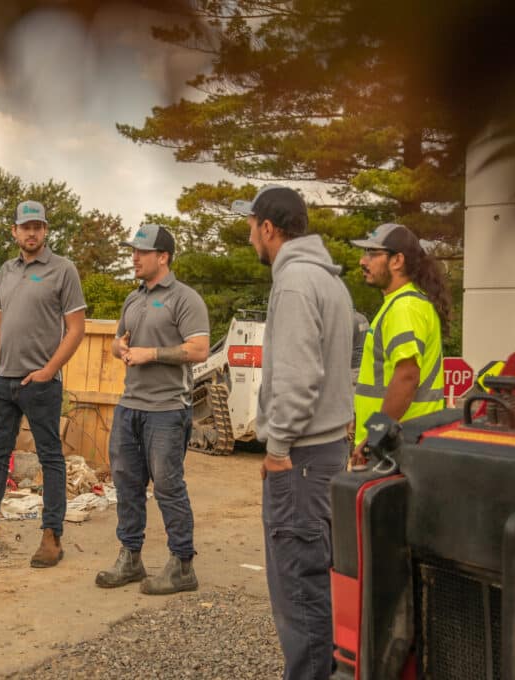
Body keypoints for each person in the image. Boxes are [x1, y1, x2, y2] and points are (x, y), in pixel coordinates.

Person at [231, 185, 354, 680]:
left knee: (298, 584)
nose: (248, 236)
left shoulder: (296, 282)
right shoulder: (325, 279)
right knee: (315, 578)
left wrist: (277, 448)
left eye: (250, 225)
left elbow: (299, 379)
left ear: (268, 227)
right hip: (324, 452)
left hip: (300, 458)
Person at [0, 200, 86, 568]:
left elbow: (77, 330)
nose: (31, 232)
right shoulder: (6, 271)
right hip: (3, 383)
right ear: (14, 231)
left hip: (41, 384)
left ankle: (51, 536)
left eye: (38, 226)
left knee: (50, 458)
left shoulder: (64, 271)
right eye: (25, 227)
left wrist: (48, 371)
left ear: (45, 231)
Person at [94, 224, 210, 595]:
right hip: (130, 407)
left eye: (142, 251)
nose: (134, 257)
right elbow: (118, 341)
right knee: (127, 485)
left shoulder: (185, 299)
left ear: (163, 257)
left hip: (167, 409)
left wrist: (153, 354)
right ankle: (131, 557)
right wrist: (120, 349)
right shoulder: (134, 298)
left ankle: (182, 565)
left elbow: (199, 349)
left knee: (168, 486)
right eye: (133, 250)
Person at [351, 223, 448, 463]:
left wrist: (374, 436)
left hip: (396, 445)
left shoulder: (404, 307)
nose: (363, 261)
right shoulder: (405, 303)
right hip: (404, 441)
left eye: (373, 254)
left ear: (397, 261)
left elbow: (406, 377)